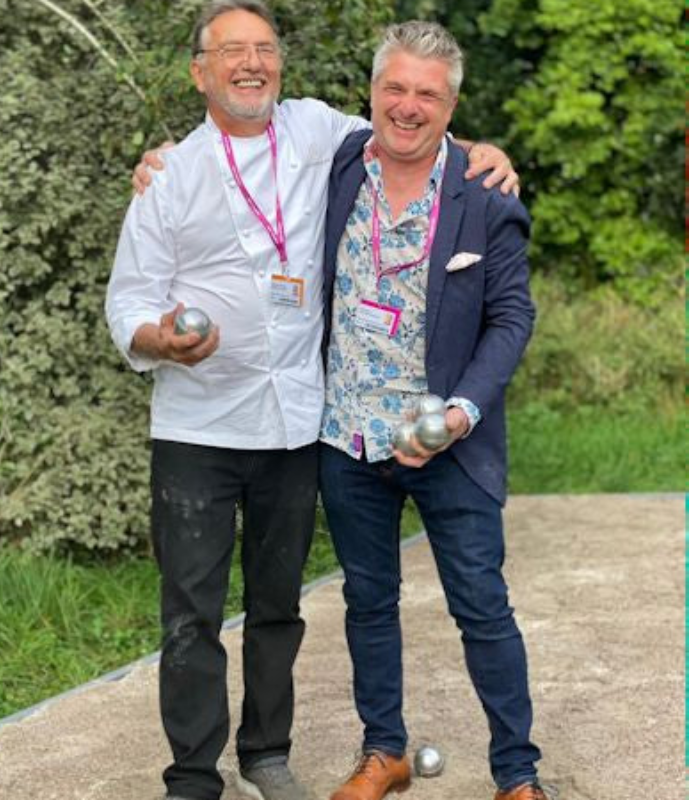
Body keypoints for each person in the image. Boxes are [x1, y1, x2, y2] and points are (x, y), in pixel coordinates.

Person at [109, 4, 518, 800]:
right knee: (191, 614)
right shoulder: (171, 175)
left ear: (282, 66)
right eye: (232, 52)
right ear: (200, 71)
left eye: (265, 48)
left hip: (298, 423)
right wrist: (161, 337)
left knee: (277, 606)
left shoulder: (317, 130)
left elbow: (410, 125)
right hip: (197, 422)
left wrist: (483, 153)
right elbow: (127, 304)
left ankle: (267, 753)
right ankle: (193, 776)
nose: (251, 64)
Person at [319, 21, 546, 800]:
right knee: (367, 602)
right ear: (373, 93)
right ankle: (384, 753)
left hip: (450, 440)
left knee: (483, 608)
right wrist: (160, 163)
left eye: (427, 93)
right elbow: (246, 141)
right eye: (395, 88)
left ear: (452, 108)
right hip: (347, 435)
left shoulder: (485, 196)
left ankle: (517, 774)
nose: (407, 106)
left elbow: (513, 318)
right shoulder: (342, 164)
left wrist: (460, 413)